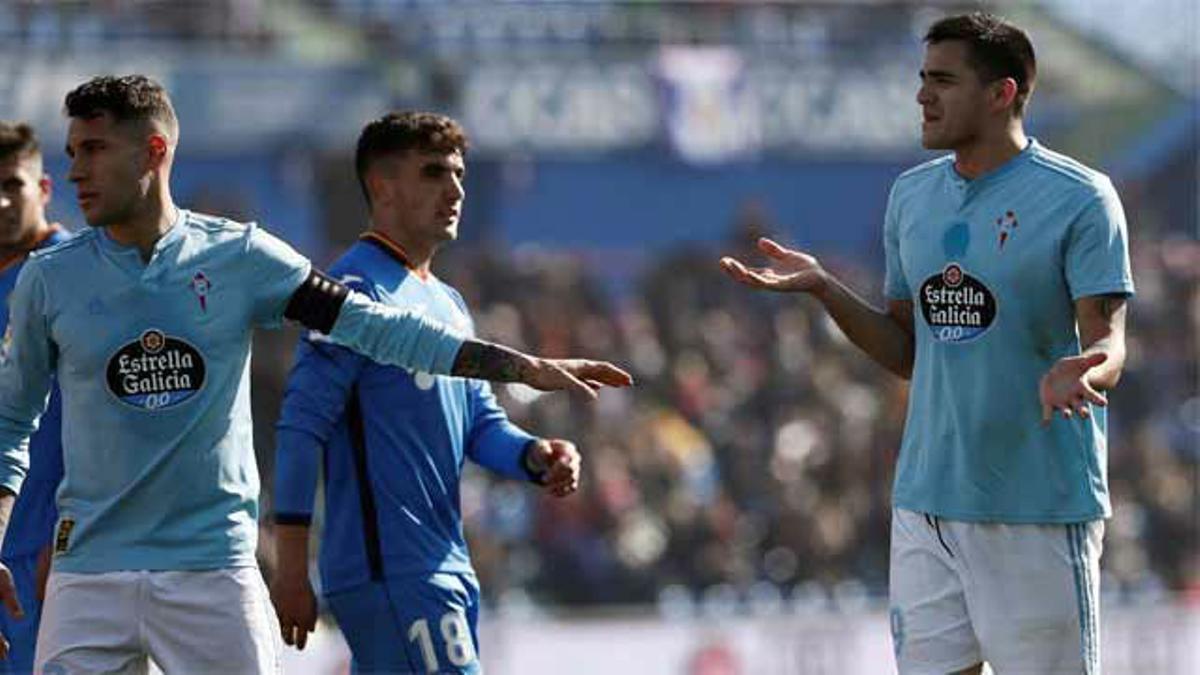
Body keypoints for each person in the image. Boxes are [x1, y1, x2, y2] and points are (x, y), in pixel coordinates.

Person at [0, 75, 630, 674]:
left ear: (154, 151)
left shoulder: (238, 257)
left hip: (212, 570)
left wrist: (520, 367)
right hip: (88, 575)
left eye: (94, 149)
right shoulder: (50, 279)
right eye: (73, 150)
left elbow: (375, 328)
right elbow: (8, 423)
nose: (77, 169)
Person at [721, 12, 1132, 675]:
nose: (921, 96)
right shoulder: (911, 198)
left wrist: (1080, 371)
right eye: (922, 78)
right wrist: (826, 289)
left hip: (1035, 508)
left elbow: (1109, 341)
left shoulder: (1082, 199)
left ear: (1002, 93)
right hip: (926, 500)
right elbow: (909, 350)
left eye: (943, 80)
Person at [269, 112, 586, 674]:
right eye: (435, 173)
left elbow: (480, 426)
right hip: (391, 571)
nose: (456, 189)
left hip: (442, 566)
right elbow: (300, 428)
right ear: (382, 187)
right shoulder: (353, 294)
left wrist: (534, 456)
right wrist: (292, 570)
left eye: (460, 174)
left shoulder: (447, 302)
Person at [0, 122, 70, 674]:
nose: (0, 202)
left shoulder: (75, 273)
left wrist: (66, 533)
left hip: (47, 546)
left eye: (12, 184)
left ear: (42, 187)